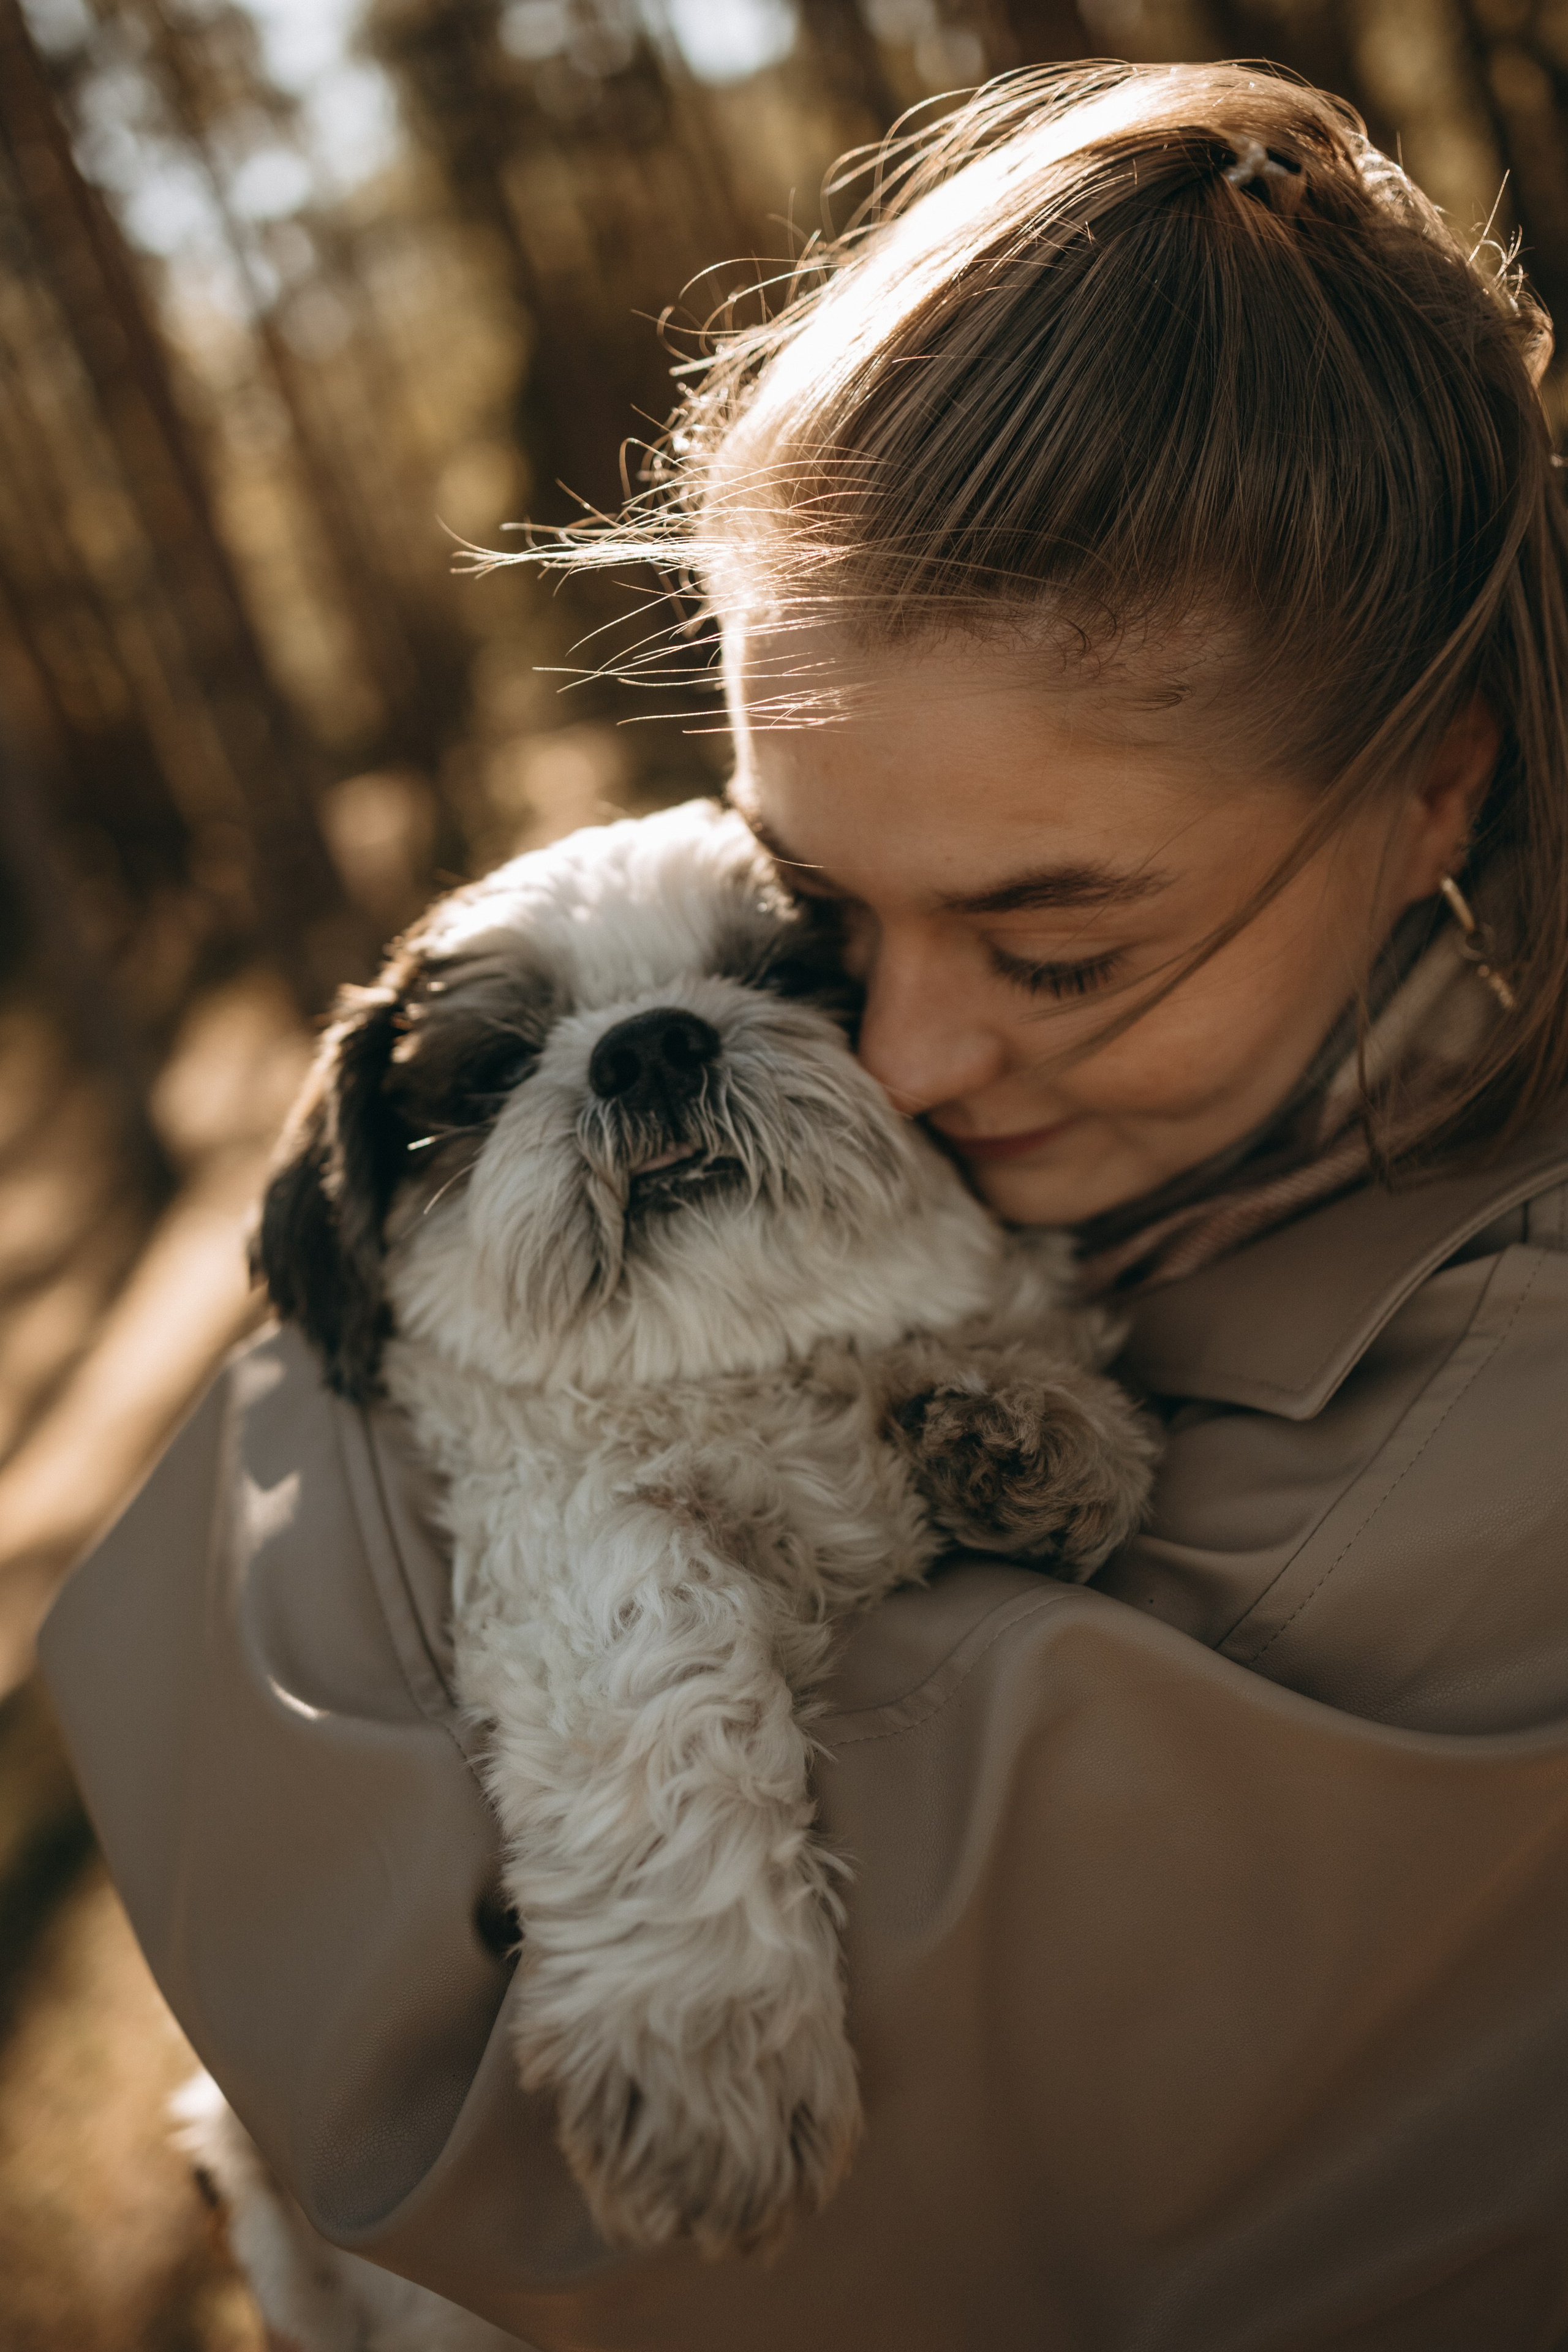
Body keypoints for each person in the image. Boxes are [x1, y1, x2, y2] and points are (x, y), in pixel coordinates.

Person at [40, 60, 1568, 2351]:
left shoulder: (1509, 1416)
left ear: (1436, 781)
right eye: (830, 934)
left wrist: (291, 1542)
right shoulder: (1100, 1154)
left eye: (1059, 948)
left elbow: (549, 2173)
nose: (920, 1061)